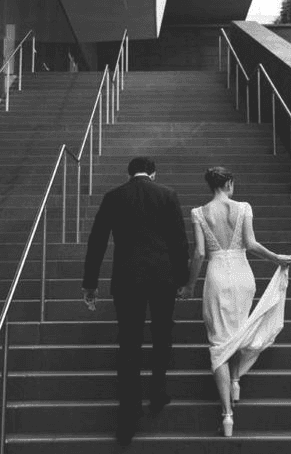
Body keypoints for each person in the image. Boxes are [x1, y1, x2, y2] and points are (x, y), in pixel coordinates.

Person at [82, 156, 190, 445]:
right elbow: (179, 240)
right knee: (162, 333)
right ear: (153, 174)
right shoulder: (167, 195)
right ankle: (157, 392)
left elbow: (97, 240)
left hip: (127, 279)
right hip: (162, 277)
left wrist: (90, 283)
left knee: (128, 343)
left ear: (130, 174)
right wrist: (183, 279)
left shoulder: (114, 196)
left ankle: (128, 417)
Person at [180, 166, 291, 437]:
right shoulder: (243, 207)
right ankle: (236, 380)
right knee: (239, 328)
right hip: (243, 275)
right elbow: (251, 244)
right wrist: (276, 258)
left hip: (217, 276)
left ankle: (227, 415)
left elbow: (198, 253)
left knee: (219, 341)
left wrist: (190, 284)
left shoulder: (198, 212)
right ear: (229, 183)